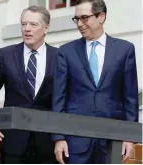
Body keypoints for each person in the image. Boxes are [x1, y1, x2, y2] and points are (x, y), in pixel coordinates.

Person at [52, 0, 139, 164]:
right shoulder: (66, 52)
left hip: (112, 139)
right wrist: (59, 138)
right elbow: (58, 98)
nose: (79, 24)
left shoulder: (124, 50)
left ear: (101, 17)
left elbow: (130, 96)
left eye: (84, 18)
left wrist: (130, 136)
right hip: (75, 142)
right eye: (76, 19)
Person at [0, 5, 58, 164]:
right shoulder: (6, 55)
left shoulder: (59, 57)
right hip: (14, 145)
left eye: (33, 25)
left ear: (46, 28)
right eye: (23, 24)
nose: (27, 29)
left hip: (48, 143)